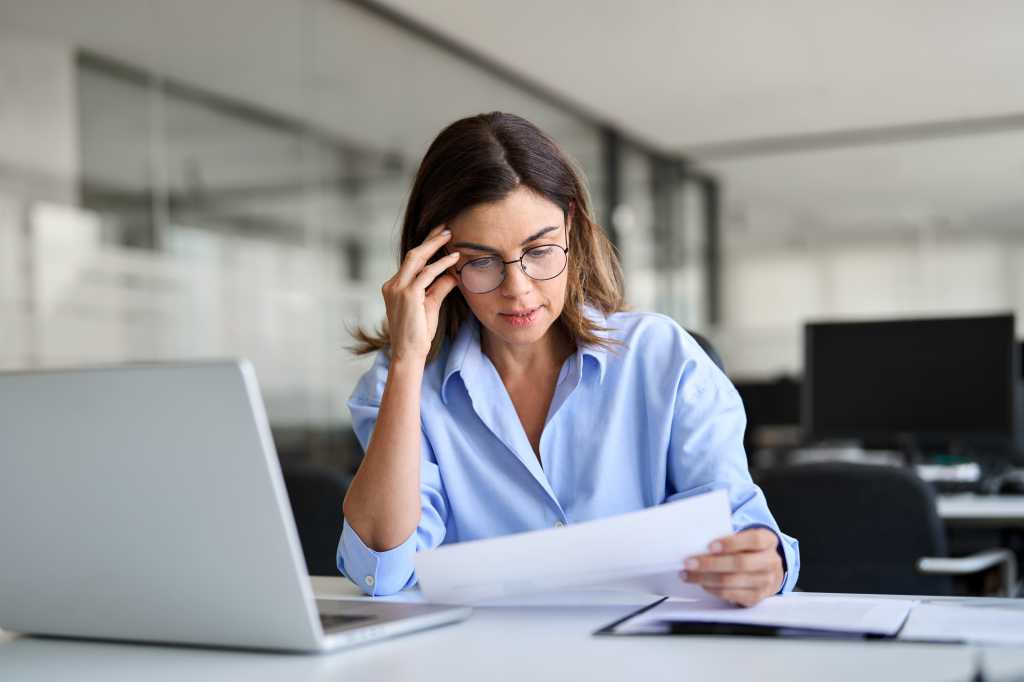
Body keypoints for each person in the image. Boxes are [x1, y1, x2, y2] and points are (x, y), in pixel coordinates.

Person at [338, 112, 799, 606]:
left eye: (539, 251)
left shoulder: (663, 358)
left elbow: (739, 522)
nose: (518, 290)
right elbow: (382, 567)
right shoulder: (401, 385)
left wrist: (763, 560)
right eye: (480, 261)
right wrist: (408, 360)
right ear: (435, 264)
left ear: (571, 227)